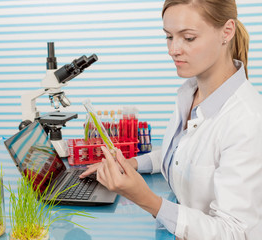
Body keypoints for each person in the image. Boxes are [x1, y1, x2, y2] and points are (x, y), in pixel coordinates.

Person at [79, 0, 262, 239]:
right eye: (168, 36)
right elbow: (182, 154)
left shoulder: (247, 120)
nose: (173, 49)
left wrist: (148, 200)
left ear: (226, 32)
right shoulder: (191, 92)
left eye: (188, 38)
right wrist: (131, 164)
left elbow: (235, 232)